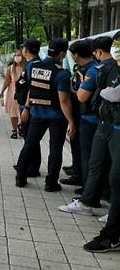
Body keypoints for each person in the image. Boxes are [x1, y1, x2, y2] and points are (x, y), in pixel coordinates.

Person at [58, 36, 120, 253]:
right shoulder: (106, 68)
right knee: (107, 170)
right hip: (106, 123)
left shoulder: (98, 69)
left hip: (102, 124)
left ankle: (107, 220)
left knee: (103, 169)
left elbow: (84, 96)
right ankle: (109, 215)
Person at [15, 38, 76, 192]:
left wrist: (27, 107)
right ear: (62, 53)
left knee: (29, 144)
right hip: (57, 117)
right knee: (55, 148)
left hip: (37, 113)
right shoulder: (62, 74)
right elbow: (64, 101)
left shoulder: (34, 67)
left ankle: (20, 178)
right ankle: (51, 183)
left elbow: (31, 89)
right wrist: (71, 121)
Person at [61, 40, 95, 189]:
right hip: (79, 113)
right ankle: (77, 173)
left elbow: (82, 95)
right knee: (77, 146)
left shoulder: (91, 70)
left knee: (85, 151)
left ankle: (83, 181)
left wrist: (69, 89)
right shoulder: (82, 68)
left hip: (86, 115)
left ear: (75, 54)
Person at [0, 50, 25, 139]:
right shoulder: (10, 68)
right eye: (16, 55)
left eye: (19, 55)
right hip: (12, 92)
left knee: (22, 112)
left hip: (23, 92)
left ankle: (21, 126)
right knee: (13, 112)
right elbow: (7, 81)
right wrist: (2, 91)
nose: (17, 57)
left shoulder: (27, 68)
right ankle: (14, 130)